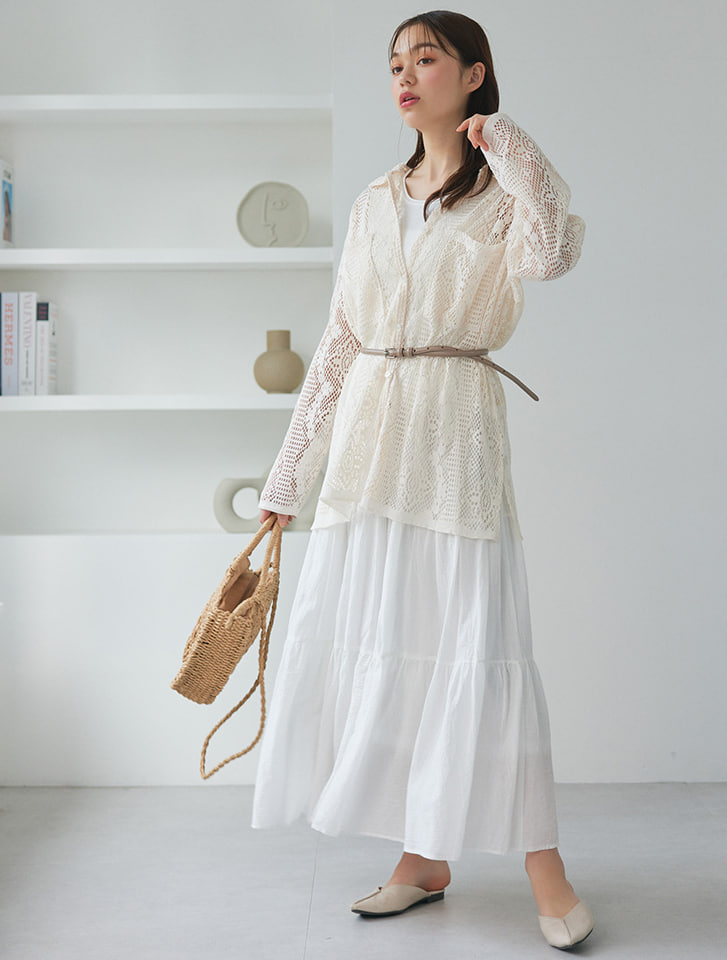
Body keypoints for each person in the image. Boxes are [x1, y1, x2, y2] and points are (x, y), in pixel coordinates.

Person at [252, 10, 593, 950]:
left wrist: (511, 147)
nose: (404, 75)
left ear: (473, 74)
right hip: (367, 447)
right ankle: (420, 858)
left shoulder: (504, 192)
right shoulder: (372, 201)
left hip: (453, 437)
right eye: (395, 62)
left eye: (427, 58)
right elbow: (337, 344)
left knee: (477, 645)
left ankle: (546, 869)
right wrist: (287, 480)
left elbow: (550, 256)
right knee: (388, 640)